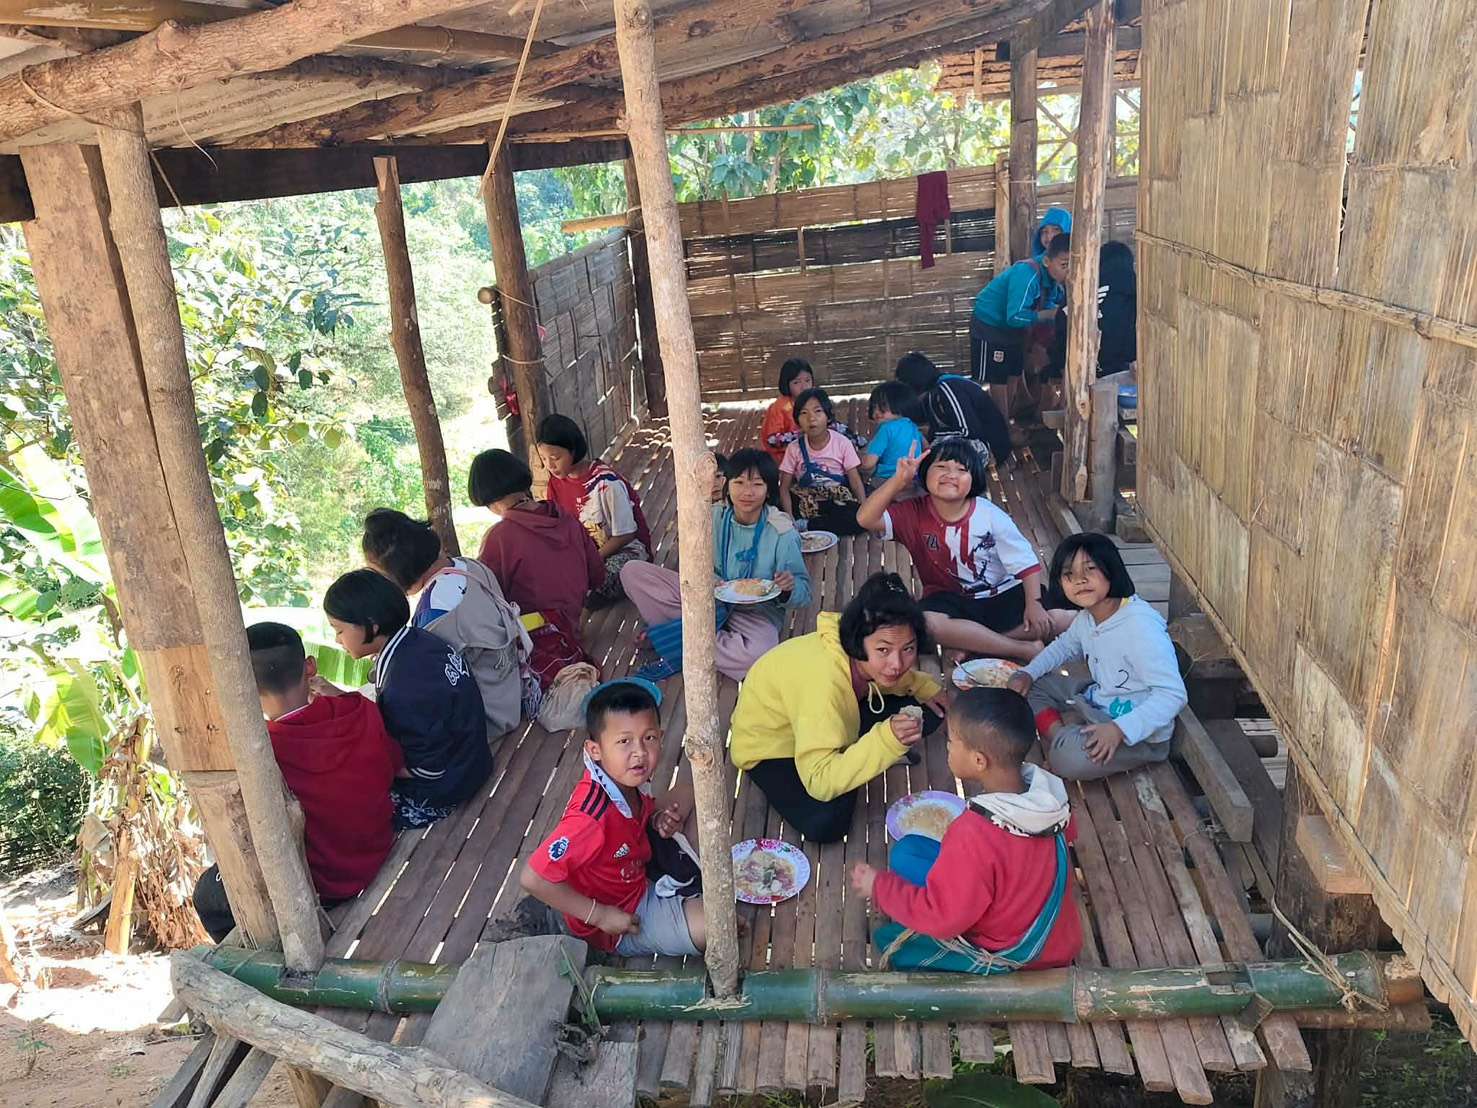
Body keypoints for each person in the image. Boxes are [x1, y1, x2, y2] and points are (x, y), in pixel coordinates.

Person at [192, 622, 401, 942]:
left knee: (208, 896)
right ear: (311, 666)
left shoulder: (260, 758)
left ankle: (261, 963)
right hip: (376, 852)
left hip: (322, 886)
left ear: (241, 686)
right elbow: (391, 764)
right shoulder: (361, 710)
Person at [850, 686, 1081, 972]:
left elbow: (945, 918)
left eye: (951, 741)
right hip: (1038, 915)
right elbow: (1056, 841)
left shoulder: (974, 832)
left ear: (979, 760)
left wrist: (880, 887)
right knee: (908, 851)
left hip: (1020, 950)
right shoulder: (1050, 796)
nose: (947, 747)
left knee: (888, 940)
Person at [729, 573, 948, 843]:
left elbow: (893, 677)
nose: (897, 663)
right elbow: (820, 783)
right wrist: (885, 743)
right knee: (827, 822)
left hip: (824, 720)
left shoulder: (854, 654)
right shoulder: (824, 683)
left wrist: (925, 687)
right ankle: (850, 756)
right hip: (772, 746)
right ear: (858, 641)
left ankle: (850, 754)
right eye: (883, 649)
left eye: (908, 649)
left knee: (930, 710)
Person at [520, 679, 706, 958]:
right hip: (621, 915)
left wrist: (656, 819)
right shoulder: (590, 819)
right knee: (716, 927)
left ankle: (684, 883)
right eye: (624, 741)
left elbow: (661, 802)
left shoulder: (624, 778)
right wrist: (601, 915)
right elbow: (533, 877)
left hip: (635, 864)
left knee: (688, 793)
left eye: (649, 738)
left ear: (661, 736)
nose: (640, 752)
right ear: (595, 750)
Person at [856, 438, 1055, 663]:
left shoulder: (989, 515)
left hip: (1002, 595)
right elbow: (865, 519)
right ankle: (1019, 648)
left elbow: (1025, 563)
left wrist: (1034, 604)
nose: (951, 474)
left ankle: (975, 646)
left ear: (974, 480)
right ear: (924, 474)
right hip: (950, 600)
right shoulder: (912, 513)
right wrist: (897, 481)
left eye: (961, 469)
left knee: (1057, 619)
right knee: (924, 624)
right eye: (941, 467)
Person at [1008, 532, 1187, 780]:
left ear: (1111, 569)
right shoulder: (1088, 617)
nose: (1079, 580)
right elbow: (1062, 648)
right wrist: (1028, 672)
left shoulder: (1140, 627)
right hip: (1099, 698)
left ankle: (1065, 745)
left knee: (1068, 761)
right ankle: (1063, 736)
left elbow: (1173, 694)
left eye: (1090, 569)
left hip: (1138, 734)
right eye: (1069, 574)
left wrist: (1118, 730)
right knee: (1032, 686)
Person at [622, 449, 811, 682]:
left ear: (769, 489)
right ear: (727, 485)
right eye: (739, 482)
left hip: (755, 615)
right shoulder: (711, 517)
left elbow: (804, 591)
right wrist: (709, 579)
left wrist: (789, 589)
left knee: (760, 654)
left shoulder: (782, 532)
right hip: (708, 599)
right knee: (632, 572)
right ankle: (697, 638)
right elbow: (691, 566)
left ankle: (675, 638)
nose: (747, 492)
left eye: (757, 484)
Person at [323, 568, 492, 829]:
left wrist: (381, 769)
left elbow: (429, 768)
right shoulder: (418, 640)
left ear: (371, 624)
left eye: (339, 630)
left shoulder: (404, 685)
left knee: (350, 810)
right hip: (474, 761)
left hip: (449, 785)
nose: (337, 640)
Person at [361, 509, 529, 743]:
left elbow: (420, 682)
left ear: (397, 569)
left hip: (489, 720)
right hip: (509, 692)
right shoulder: (468, 566)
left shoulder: (436, 614)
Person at [470, 448, 603, 727]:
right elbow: (597, 574)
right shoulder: (563, 517)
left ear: (491, 501)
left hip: (539, 641)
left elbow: (487, 602)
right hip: (572, 628)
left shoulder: (500, 537)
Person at [536, 414, 653, 608]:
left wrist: (589, 560)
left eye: (555, 458)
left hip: (625, 551)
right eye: (544, 459)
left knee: (602, 581)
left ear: (573, 450)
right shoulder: (555, 483)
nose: (550, 465)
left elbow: (626, 534)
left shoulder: (606, 483)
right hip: (586, 555)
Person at [971, 233, 1071, 431]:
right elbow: (1014, 316)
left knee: (1013, 374)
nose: (1069, 272)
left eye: (1073, 265)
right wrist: (1048, 315)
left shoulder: (1053, 281)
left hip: (1015, 330)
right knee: (998, 378)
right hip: (990, 325)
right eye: (1064, 265)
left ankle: (1008, 422)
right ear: (1047, 260)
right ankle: (1001, 429)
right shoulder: (1027, 274)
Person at [1046, 240, 1137, 405]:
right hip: (1123, 367)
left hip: (1082, 370)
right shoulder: (1130, 282)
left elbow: (1061, 340)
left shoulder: (1079, 291)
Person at [894, 351, 1012, 468]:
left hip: (990, 450)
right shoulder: (933, 393)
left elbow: (967, 431)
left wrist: (932, 434)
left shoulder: (948, 388)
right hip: (972, 445)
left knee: (930, 454)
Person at [778, 386, 868, 536]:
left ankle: (810, 525)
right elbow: (784, 487)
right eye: (804, 413)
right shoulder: (794, 448)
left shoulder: (842, 443)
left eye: (817, 411)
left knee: (856, 517)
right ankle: (806, 523)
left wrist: (865, 509)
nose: (811, 418)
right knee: (775, 508)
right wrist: (789, 518)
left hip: (837, 499)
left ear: (828, 416)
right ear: (797, 420)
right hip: (805, 499)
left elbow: (855, 480)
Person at [860, 380, 927, 487]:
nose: (876, 413)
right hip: (913, 479)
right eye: (874, 407)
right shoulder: (913, 426)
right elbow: (926, 448)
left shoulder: (886, 429)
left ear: (899, 404)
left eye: (882, 407)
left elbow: (868, 463)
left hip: (885, 481)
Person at [760, 358, 815, 463]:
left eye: (808, 380)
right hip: (784, 461)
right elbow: (772, 440)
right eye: (796, 382)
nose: (804, 387)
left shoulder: (817, 402)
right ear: (786, 384)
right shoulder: (779, 407)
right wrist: (802, 435)